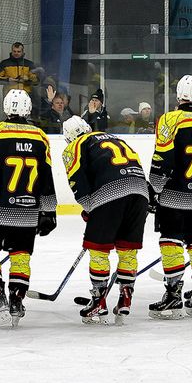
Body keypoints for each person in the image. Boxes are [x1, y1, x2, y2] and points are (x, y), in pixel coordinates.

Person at [0, 89, 57, 328]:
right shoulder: (41, 136)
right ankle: (17, 300)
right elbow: (46, 177)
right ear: (28, 109)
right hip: (27, 211)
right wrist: (48, 210)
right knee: (21, 254)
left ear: (6, 108)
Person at [147, 75, 192, 318]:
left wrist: (154, 189)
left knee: (171, 241)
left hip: (174, 194)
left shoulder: (170, 119)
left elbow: (162, 159)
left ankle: (173, 295)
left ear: (178, 95)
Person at [62, 115, 148, 323]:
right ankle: (125, 297)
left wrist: (89, 209)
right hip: (140, 193)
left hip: (109, 193)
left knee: (98, 249)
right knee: (127, 248)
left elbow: (78, 183)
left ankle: (98, 300)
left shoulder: (75, 146)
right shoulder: (115, 138)